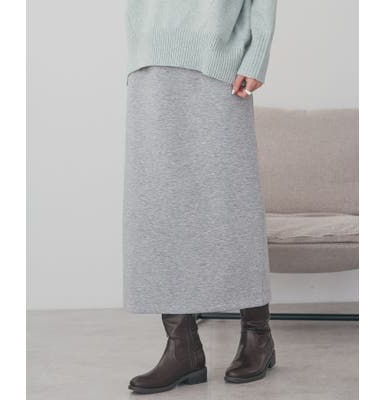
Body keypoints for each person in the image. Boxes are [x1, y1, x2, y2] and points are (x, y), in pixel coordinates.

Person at [123, 0, 277, 394]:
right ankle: (182, 347)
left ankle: (257, 334)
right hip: (150, 59)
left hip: (219, 60)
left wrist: (257, 54)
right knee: (159, 206)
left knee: (232, 201)